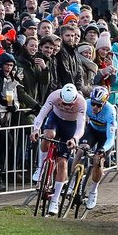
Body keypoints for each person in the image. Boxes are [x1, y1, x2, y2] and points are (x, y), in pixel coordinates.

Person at [31, 82, 87, 216]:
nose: (66, 106)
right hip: (55, 119)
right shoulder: (54, 95)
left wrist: (74, 139)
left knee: (62, 163)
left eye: (69, 105)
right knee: (48, 135)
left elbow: (80, 127)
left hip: (70, 126)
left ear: (75, 100)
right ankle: (41, 168)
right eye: (63, 103)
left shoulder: (81, 103)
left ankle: (55, 199)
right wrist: (36, 130)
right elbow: (42, 114)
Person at [78, 85, 117, 209]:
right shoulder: (86, 103)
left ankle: (93, 191)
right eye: (94, 103)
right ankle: (73, 180)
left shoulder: (110, 111)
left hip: (106, 136)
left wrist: (103, 149)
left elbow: (110, 138)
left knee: (97, 160)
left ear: (104, 103)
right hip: (93, 130)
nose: (95, 107)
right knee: (80, 150)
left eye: (99, 105)